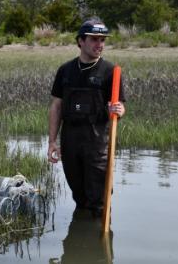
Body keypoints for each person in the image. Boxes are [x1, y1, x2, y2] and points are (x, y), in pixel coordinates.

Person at [47, 18, 125, 217]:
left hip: (97, 140)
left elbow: (119, 107)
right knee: (79, 196)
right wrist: (52, 142)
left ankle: (99, 239)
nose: (99, 44)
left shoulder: (110, 72)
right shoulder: (65, 71)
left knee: (98, 198)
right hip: (70, 139)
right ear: (80, 41)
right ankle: (81, 235)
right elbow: (56, 106)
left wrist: (118, 111)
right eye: (94, 39)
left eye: (102, 40)